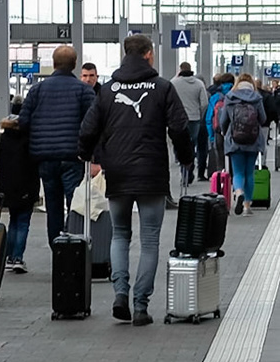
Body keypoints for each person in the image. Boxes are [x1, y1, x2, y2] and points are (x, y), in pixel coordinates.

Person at [78, 34, 193, 325]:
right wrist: (186, 157)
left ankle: (120, 294)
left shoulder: (107, 90)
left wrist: (85, 154)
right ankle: (140, 305)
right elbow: (179, 127)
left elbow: (88, 128)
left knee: (120, 234)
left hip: (117, 171)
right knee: (150, 240)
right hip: (152, 171)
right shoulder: (162, 87)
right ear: (149, 55)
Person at [19, 46, 96, 247]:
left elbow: (23, 122)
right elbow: (93, 124)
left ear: (53, 64)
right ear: (74, 65)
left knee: (53, 207)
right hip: (73, 157)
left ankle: (57, 251)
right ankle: (75, 249)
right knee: (75, 205)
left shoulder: (37, 90)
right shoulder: (84, 91)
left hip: (45, 157)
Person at [0, 100, 39, 273]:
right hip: (26, 184)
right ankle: (17, 258)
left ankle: (8, 257)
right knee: (23, 222)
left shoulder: (5, 137)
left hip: (9, 185)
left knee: (13, 221)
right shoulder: (28, 137)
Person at [220, 74, 268, 215]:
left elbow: (223, 120)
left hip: (235, 140)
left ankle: (239, 191)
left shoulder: (230, 97)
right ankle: (247, 205)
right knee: (249, 173)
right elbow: (263, 118)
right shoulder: (256, 97)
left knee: (238, 172)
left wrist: (225, 133)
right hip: (253, 140)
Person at [171, 61, 209, 179]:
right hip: (194, 118)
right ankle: (190, 168)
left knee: (180, 144)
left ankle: (184, 171)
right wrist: (199, 114)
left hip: (178, 119)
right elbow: (204, 103)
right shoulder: (199, 84)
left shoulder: (173, 83)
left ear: (180, 70)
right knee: (191, 144)